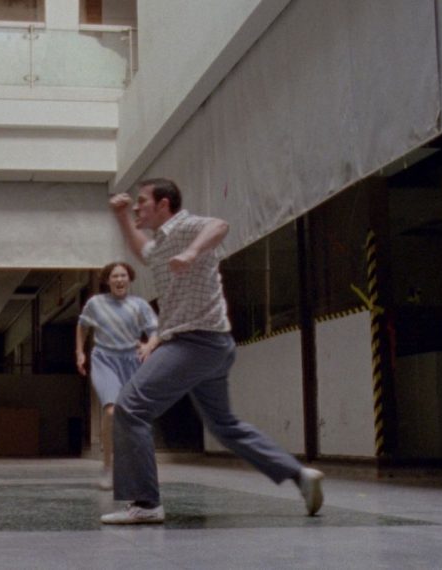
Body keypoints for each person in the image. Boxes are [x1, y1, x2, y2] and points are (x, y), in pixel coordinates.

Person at [100, 177, 324, 525]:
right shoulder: (161, 242)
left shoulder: (185, 226)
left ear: (163, 204)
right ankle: (300, 475)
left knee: (130, 407)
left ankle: (145, 503)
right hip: (214, 345)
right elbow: (142, 251)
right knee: (225, 426)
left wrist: (192, 253)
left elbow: (219, 225)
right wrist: (121, 218)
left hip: (194, 341)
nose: (136, 207)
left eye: (141, 201)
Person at [75, 261, 159, 490]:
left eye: (123, 276)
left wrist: (149, 346)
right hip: (104, 360)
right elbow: (82, 326)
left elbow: (154, 331)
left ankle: (133, 466)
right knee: (111, 411)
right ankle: (107, 466)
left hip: (132, 362)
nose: (119, 280)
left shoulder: (139, 305)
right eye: (115, 276)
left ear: (129, 279)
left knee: (132, 416)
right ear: (107, 280)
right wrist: (79, 352)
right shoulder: (96, 303)